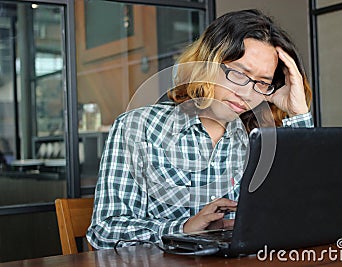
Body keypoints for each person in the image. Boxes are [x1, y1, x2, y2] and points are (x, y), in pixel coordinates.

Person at [87, 9, 314, 249]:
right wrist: (183, 229)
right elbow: (105, 231)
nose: (246, 93)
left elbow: (310, 213)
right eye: (238, 73)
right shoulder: (138, 128)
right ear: (207, 64)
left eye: (262, 83)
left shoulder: (264, 139)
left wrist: (298, 113)